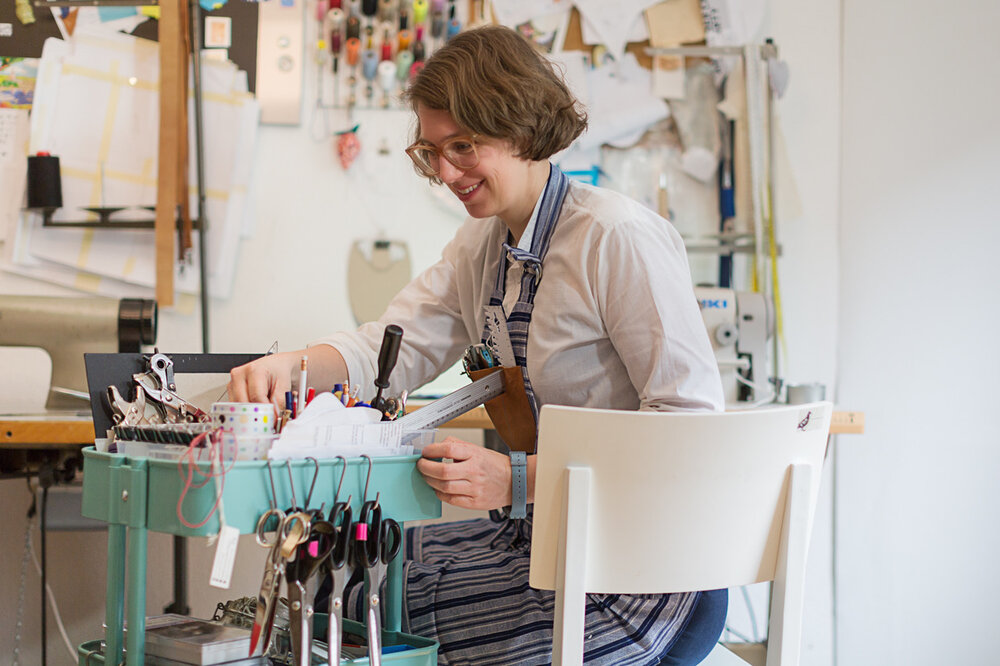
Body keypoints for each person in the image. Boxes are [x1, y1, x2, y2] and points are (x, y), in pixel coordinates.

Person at [229, 25, 727, 665]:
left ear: (522, 127)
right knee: (330, 572)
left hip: (643, 577)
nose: (444, 171)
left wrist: (516, 480)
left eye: (463, 146)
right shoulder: (482, 249)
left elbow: (685, 440)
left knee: (369, 610)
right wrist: (289, 366)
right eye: (432, 151)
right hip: (546, 539)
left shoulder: (616, 237)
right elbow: (390, 349)